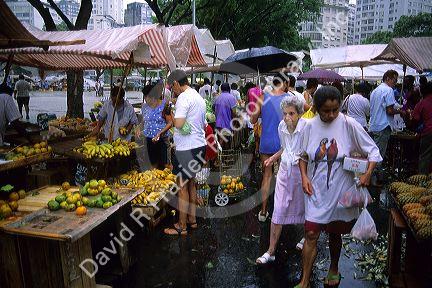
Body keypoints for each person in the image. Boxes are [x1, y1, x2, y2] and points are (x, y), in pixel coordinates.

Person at [296, 86, 382, 288]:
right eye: (326, 110)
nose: (332, 114)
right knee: (310, 233)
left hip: (340, 191)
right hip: (315, 191)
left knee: (334, 232)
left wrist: (367, 174)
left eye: (335, 109)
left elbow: (373, 151)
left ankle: (333, 268)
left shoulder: (348, 124)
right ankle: (305, 280)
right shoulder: (308, 126)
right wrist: (303, 177)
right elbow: (302, 155)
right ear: (317, 108)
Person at [256, 97, 306, 264]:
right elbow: (284, 148)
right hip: (284, 172)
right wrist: (273, 159)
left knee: (306, 208)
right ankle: (271, 251)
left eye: (291, 113)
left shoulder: (307, 128)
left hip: (302, 174)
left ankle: (306, 238)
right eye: (285, 114)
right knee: (278, 209)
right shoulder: (281, 126)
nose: (287, 118)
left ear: (300, 114)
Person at [164, 70, 206, 236]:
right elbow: (198, 124)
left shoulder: (183, 97)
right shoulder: (198, 97)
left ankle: (181, 226)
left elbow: (180, 124)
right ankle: (192, 219)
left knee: (182, 187)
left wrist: (171, 115)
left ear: (175, 83)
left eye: (171, 86)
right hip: (198, 146)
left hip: (186, 149)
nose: (172, 90)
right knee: (191, 183)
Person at [251, 72, 290, 222]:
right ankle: (282, 212)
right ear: (285, 83)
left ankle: (263, 211)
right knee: (283, 177)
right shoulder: (289, 98)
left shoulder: (262, 97)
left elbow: (253, 119)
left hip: (266, 141)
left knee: (266, 177)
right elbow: (305, 110)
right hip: (283, 143)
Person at [369, 70, 404, 186]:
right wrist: (400, 112)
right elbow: (389, 110)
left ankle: (375, 179)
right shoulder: (388, 90)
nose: (395, 83)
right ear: (388, 78)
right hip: (383, 126)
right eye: (394, 80)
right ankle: (370, 181)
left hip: (374, 125)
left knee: (373, 153)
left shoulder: (375, 91)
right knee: (378, 156)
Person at [141, 83, 173, 169]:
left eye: (146, 97)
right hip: (149, 140)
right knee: (152, 166)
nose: (145, 99)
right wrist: (139, 129)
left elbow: (170, 122)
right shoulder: (144, 107)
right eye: (145, 97)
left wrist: (160, 133)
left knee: (165, 166)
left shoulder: (164, 106)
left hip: (162, 140)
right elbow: (143, 122)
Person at [411, 81, 432, 174]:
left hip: (428, 132)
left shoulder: (422, 103)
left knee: (425, 156)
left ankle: (422, 180)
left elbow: (414, 119)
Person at [214, 83, 237, 149]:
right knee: (223, 139)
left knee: (223, 139)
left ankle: (223, 156)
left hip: (218, 122)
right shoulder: (231, 97)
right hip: (226, 122)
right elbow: (234, 112)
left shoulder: (218, 97)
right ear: (229, 89)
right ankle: (217, 154)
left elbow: (215, 110)